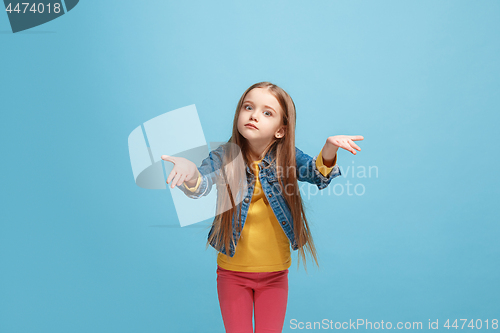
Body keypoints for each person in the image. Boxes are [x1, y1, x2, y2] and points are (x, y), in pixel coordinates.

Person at [161, 81, 364, 333]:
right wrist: (190, 173)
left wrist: (330, 148)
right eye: (248, 107)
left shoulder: (288, 157)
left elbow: (316, 175)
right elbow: (202, 183)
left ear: (280, 130)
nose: (254, 115)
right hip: (232, 273)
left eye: (267, 112)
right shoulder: (224, 155)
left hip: (275, 274)